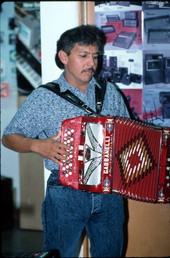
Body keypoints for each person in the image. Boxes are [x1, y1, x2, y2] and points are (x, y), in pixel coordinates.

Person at [2, 24, 130, 257]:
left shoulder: (109, 92)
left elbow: (129, 134)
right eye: (83, 56)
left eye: (95, 56)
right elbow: (9, 137)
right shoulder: (44, 97)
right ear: (64, 56)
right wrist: (38, 145)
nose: (92, 63)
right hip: (65, 193)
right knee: (61, 254)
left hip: (111, 192)